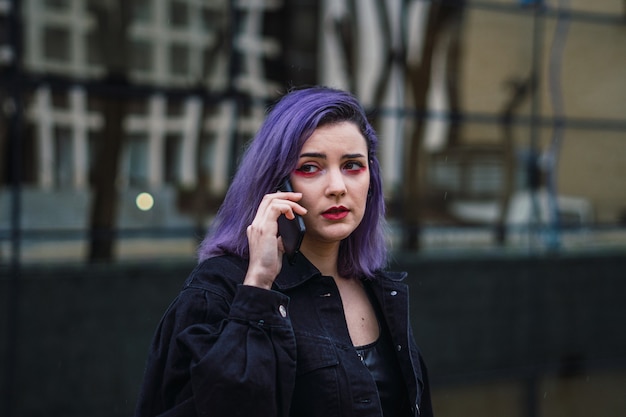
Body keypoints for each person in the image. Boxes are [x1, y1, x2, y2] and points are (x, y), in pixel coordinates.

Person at [135, 86, 434, 417]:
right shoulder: (219, 289)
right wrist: (259, 286)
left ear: (371, 180)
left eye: (352, 165)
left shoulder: (378, 289)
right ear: (276, 185)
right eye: (310, 168)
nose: (337, 187)